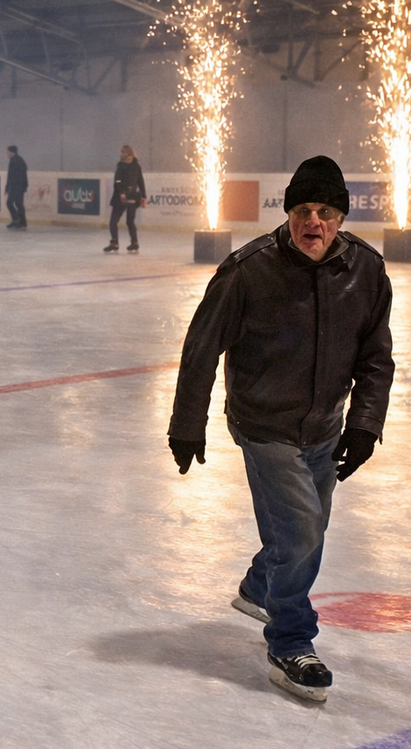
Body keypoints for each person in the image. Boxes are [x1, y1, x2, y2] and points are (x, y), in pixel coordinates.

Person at [168, 155, 393, 703]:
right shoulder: (249, 270)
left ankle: (258, 586)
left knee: (305, 531)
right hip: (264, 424)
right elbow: (201, 349)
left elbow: (376, 357)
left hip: (325, 426)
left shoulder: (365, 269)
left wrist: (364, 424)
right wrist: (187, 424)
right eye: (303, 210)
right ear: (288, 212)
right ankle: (291, 642)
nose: (313, 222)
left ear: (340, 218)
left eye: (326, 212)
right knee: (300, 533)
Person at [105, 144, 146, 252]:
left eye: (123, 152)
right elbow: (141, 182)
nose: (121, 154)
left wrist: (122, 193)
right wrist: (143, 197)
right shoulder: (136, 165)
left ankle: (114, 243)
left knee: (113, 221)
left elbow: (118, 181)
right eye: (121, 152)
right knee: (130, 221)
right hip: (133, 197)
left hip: (121, 198)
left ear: (129, 153)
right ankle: (134, 242)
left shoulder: (121, 165)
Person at [5, 145, 28, 230]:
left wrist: (9, 187)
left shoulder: (15, 161)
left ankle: (17, 220)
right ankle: (21, 222)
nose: (6, 153)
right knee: (18, 203)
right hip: (18, 186)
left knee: (10, 203)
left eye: (7, 152)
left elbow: (12, 176)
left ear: (11, 152)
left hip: (17, 186)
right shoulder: (18, 160)